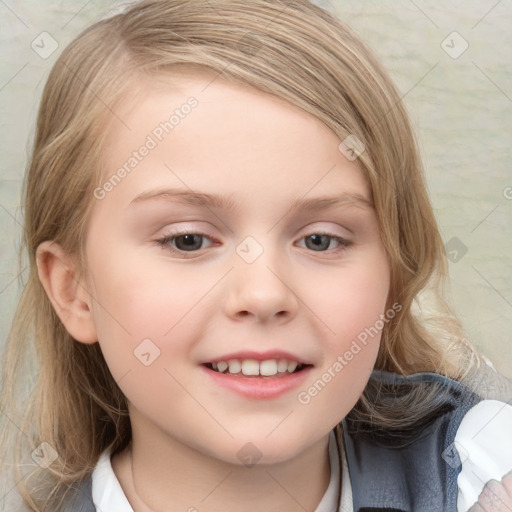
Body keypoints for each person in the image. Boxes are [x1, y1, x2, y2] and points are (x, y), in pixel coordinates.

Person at [0, 1, 510, 511]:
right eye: (188, 240)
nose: (264, 294)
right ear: (74, 289)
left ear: (391, 275)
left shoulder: (486, 472)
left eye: (320, 240)